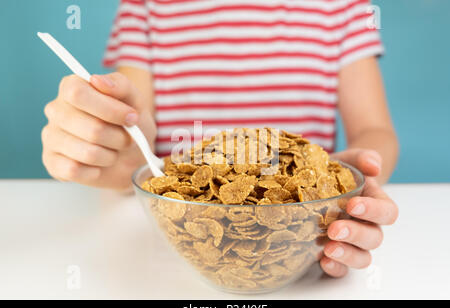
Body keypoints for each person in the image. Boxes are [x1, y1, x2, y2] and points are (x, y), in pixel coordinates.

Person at [41, 0, 399, 278]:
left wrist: (352, 185)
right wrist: (113, 144)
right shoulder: (147, 8)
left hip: (306, 247)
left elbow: (375, 130)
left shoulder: (342, 7)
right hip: (175, 252)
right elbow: (135, 149)